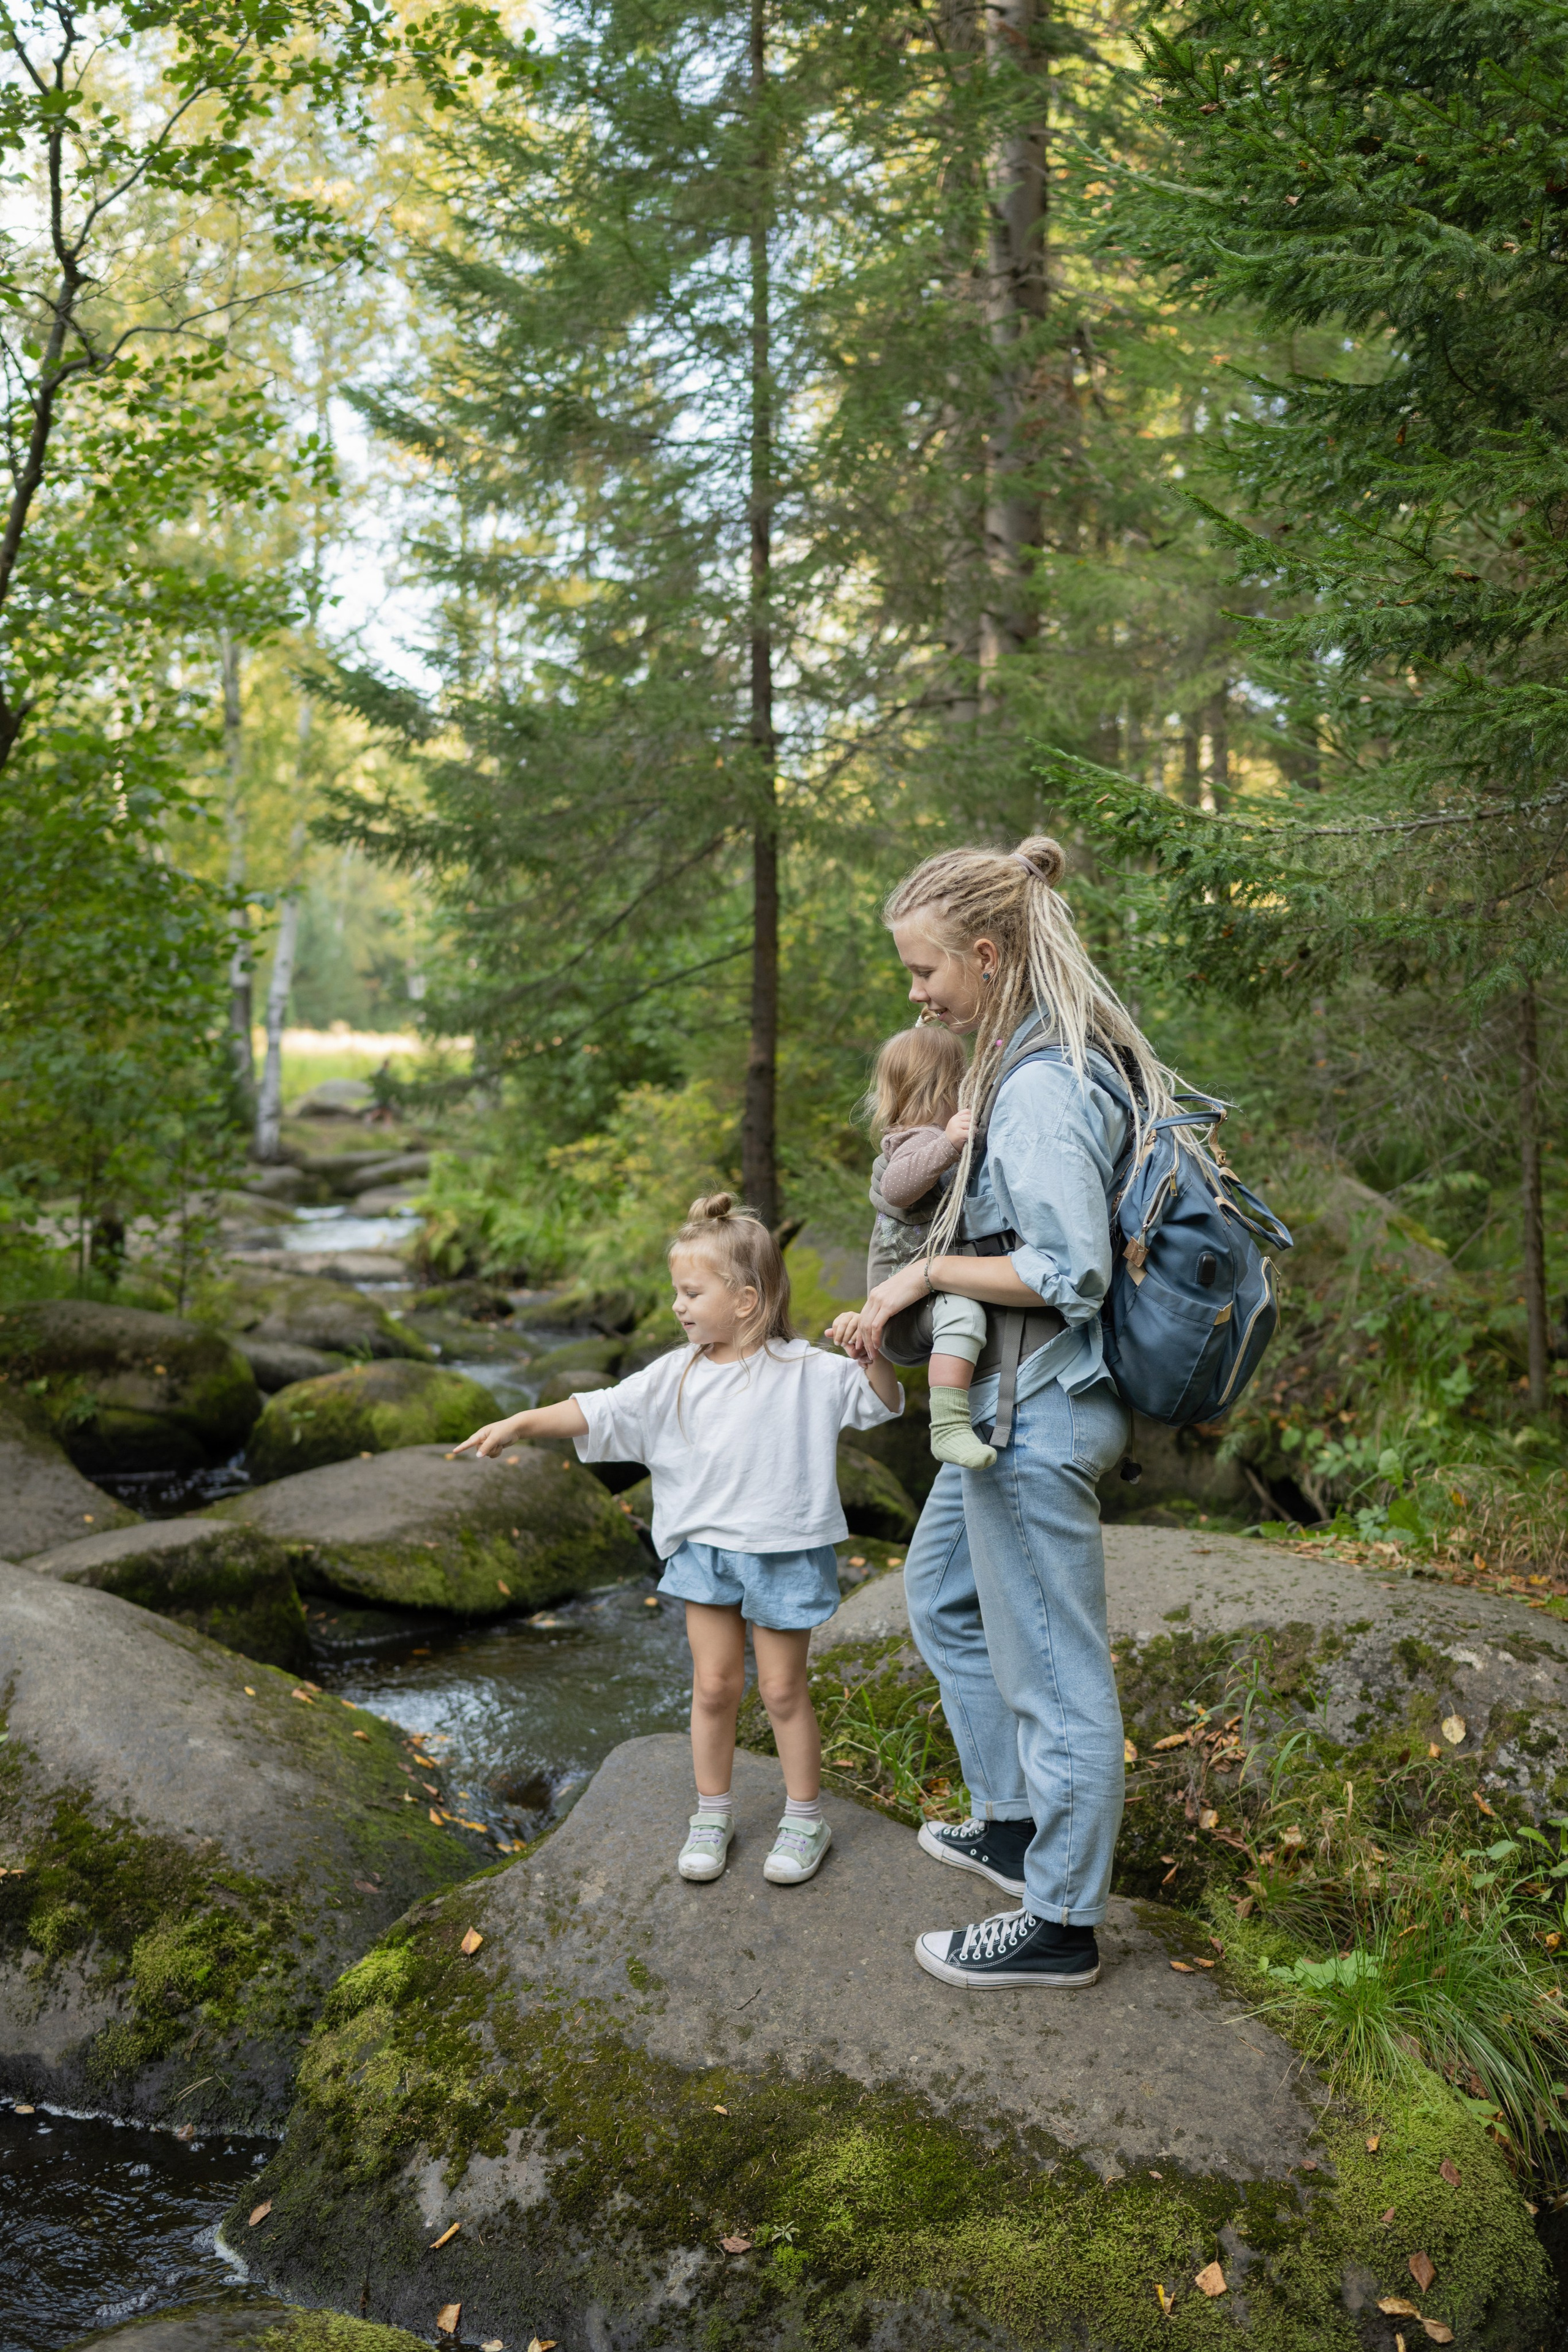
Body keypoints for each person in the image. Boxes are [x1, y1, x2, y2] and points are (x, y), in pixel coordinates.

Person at [837, 835, 1184, 1992]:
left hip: (1032, 1417)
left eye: (927, 971)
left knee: (1055, 1675)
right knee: (939, 1594)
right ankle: (1014, 1820)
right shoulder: (1038, 1058)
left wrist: (925, 1279)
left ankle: (1060, 1922)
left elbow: (1071, 1269)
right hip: (1007, 1406)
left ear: (987, 955)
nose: (919, 994)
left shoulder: (1040, 1086)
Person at [453, 1191, 902, 1888]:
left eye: (692, 1292)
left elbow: (879, 1401)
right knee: (715, 1685)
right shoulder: (675, 1374)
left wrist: (870, 1346)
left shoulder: (808, 1372)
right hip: (702, 1552)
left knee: (783, 1690)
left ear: (747, 1300)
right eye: (676, 1293)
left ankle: (806, 1817)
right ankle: (712, 1813)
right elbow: (596, 1408)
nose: (678, 1307)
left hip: (782, 1551)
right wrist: (521, 1421)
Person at [853, 1022, 996, 1474]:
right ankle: (949, 1426)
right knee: (966, 1314)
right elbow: (898, 1188)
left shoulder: (931, 1139)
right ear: (944, 1089)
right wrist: (950, 1142)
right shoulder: (914, 1140)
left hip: (921, 1301)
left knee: (966, 1314)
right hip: (900, 1310)